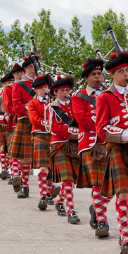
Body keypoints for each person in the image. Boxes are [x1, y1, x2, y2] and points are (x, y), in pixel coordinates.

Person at [96, 51, 128, 254]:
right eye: (121, 72)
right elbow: (101, 130)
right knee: (123, 194)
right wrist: (125, 134)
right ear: (112, 75)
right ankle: (125, 238)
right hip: (117, 148)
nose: (126, 74)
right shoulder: (105, 97)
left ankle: (125, 231)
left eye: (127, 70)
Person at [71, 57, 109, 237]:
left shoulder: (110, 92)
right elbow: (82, 119)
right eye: (93, 74)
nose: (97, 77)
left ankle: (96, 206)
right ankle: (102, 222)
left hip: (110, 142)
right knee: (98, 183)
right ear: (86, 77)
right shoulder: (78, 97)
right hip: (91, 143)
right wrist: (106, 125)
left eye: (99, 73)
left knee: (115, 185)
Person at [47, 75, 82, 224]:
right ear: (55, 92)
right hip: (60, 145)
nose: (65, 93)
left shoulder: (75, 103)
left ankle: (59, 201)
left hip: (75, 145)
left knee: (71, 181)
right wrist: (74, 132)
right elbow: (53, 127)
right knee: (67, 180)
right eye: (62, 90)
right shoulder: (51, 107)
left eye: (67, 90)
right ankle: (71, 211)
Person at [8, 57, 37, 198]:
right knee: (25, 157)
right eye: (31, 66)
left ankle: (48, 191)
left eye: (35, 66)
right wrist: (32, 110)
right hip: (25, 121)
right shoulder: (18, 85)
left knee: (46, 157)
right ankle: (25, 186)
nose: (33, 69)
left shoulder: (42, 83)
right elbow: (17, 106)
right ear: (25, 68)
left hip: (41, 123)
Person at [28, 74, 54, 206]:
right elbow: (34, 121)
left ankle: (49, 193)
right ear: (37, 90)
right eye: (43, 88)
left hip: (53, 136)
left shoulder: (54, 102)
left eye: (47, 87)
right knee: (44, 168)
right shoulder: (32, 103)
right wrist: (49, 124)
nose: (46, 90)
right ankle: (43, 195)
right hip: (40, 136)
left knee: (52, 167)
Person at [3, 63, 23, 184]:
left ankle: (20, 174)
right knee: (14, 149)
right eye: (17, 73)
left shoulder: (30, 87)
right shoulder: (9, 89)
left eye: (21, 72)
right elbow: (8, 106)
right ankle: (14, 174)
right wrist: (20, 111)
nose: (20, 75)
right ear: (14, 75)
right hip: (15, 120)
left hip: (27, 121)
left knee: (23, 151)